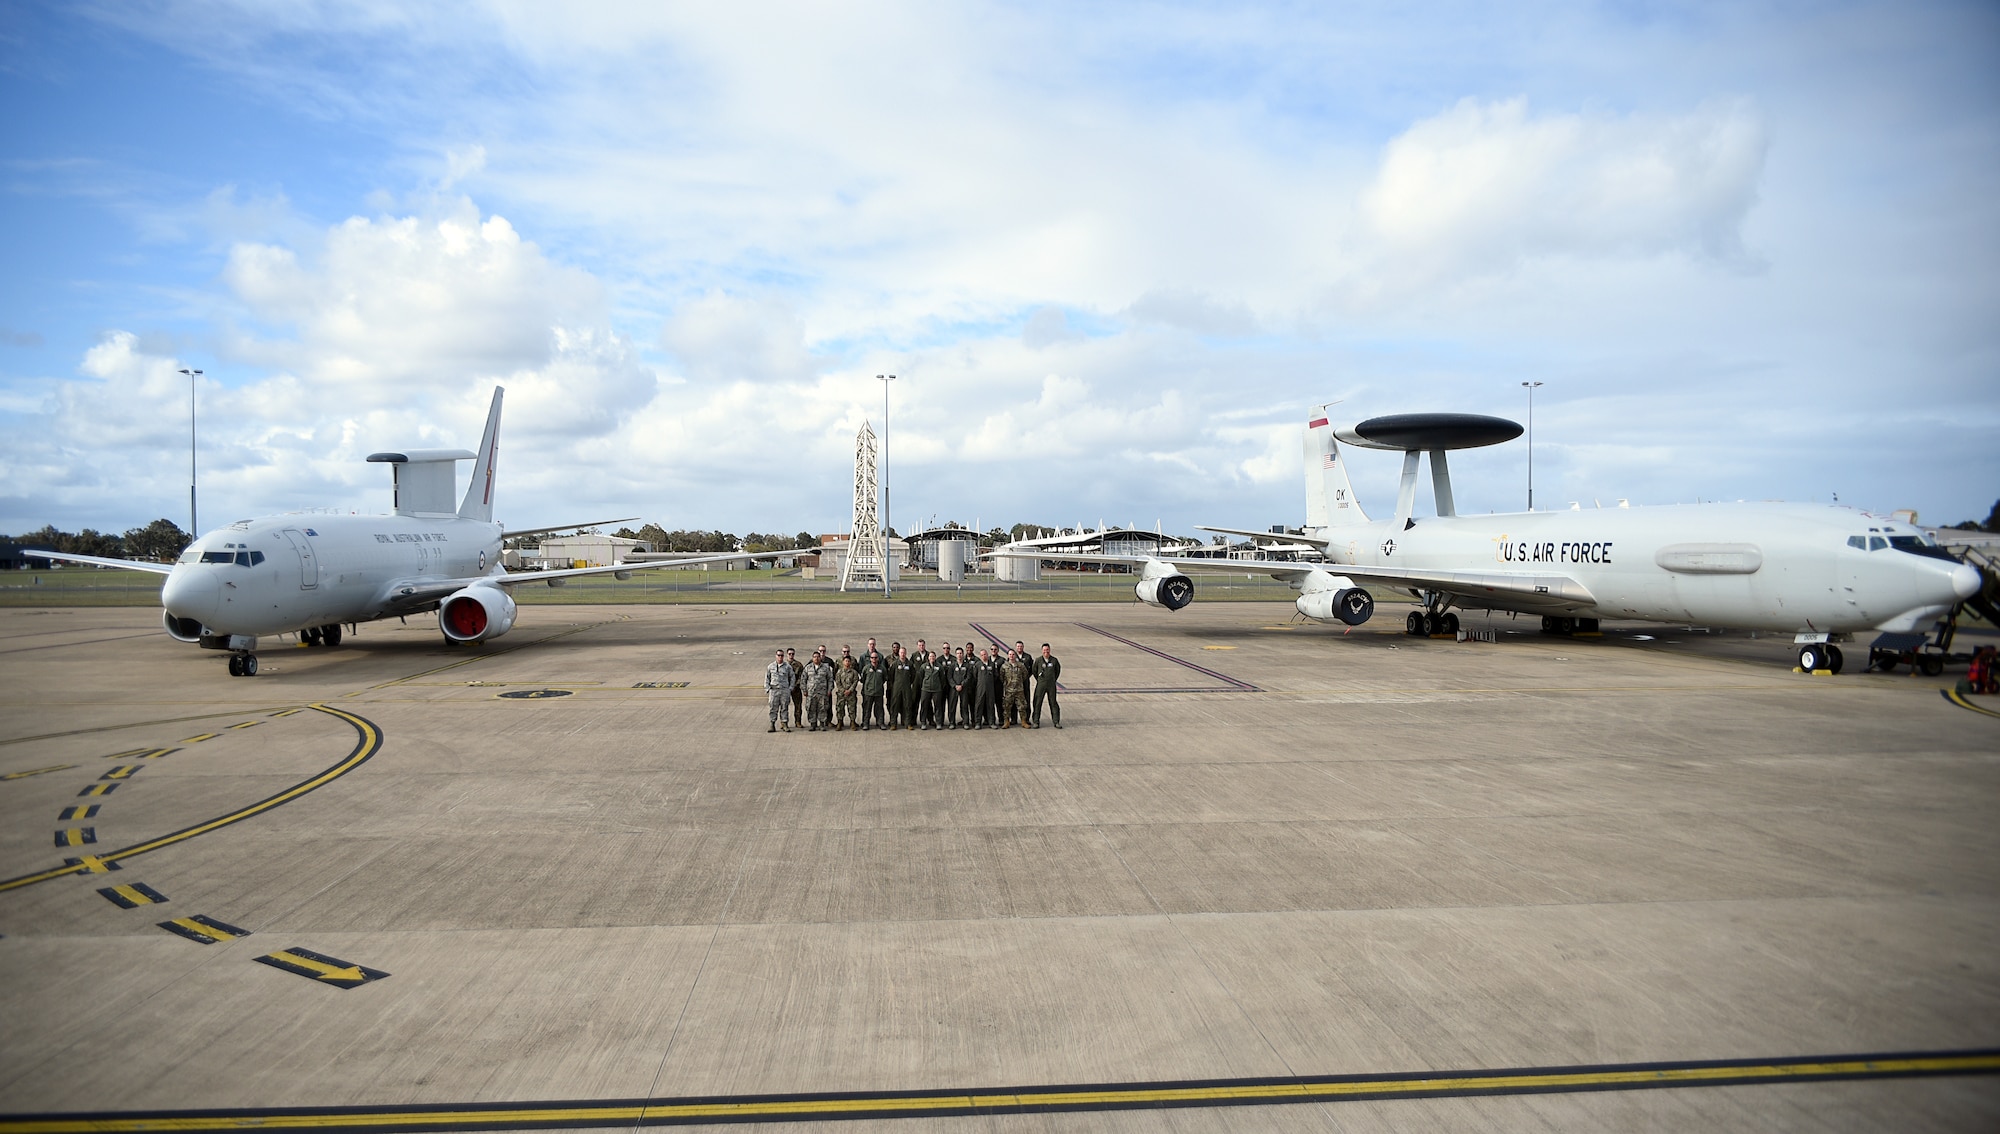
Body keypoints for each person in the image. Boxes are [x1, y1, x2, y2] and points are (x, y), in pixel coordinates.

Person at [804, 648, 836, 731]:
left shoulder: (825, 668)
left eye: (818, 657)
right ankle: (813, 724)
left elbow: (830, 679)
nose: (816, 658)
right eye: (815, 657)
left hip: (823, 693)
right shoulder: (808, 668)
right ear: (812, 658)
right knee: (811, 708)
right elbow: (803, 679)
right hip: (811, 693)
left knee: (822, 708)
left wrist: (829, 690)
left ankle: (822, 724)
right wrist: (804, 690)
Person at [1033, 642, 1063, 729]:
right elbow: (1034, 671)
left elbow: (1057, 671)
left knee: (1053, 703)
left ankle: (1056, 721)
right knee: (1037, 702)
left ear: (1050, 650)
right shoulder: (1038, 660)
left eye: (1047, 650)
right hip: (1041, 685)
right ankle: (1036, 721)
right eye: (1044, 650)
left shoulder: (1054, 660)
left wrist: (1053, 679)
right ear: (1042, 651)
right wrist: (1040, 680)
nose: (1046, 652)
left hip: (1051, 685)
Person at [764, 649, 794, 733]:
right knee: (773, 708)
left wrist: (790, 688)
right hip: (774, 690)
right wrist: (767, 688)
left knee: (784, 708)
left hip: (784, 690)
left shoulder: (787, 667)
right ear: (776, 656)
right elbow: (767, 678)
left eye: (782, 655)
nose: (780, 657)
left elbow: (792, 677)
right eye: (778, 655)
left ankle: (784, 724)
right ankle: (772, 724)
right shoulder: (771, 666)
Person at [860, 645, 888, 730]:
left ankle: (880, 723)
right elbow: (863, 679)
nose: (874, 659)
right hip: (868, 692)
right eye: (872, 658)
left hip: (878, 692)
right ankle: (865, 723)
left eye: (875, 658)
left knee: (879, 709)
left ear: (878, 658)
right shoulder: (866, 668)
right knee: (867, 709)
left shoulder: (882, 668)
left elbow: (884, 678)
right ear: (870, 659)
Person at [889, 644, 917, 729]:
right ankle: (893, 723)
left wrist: (908, 683)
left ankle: (908, 723)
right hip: (896, 688)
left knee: (907, 705)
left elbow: (913, 675)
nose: (902, 654)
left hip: (907, 688)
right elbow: (891, 676)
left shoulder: (910, 664)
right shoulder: (895, 664)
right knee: (894, 705)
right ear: (899, 653)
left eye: (904, 653)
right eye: (901, 653)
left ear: (906, 653)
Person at [918, 647, 946, 729]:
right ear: (928, 658)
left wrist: (939, 686)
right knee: (924, 706)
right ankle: (923, 722)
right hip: (926, 689)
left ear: (935, 657)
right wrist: (923, 685)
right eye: (930, 656)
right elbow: (921, 677)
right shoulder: (923, 666)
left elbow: (942, 678)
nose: (932, 658)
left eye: (933, 656)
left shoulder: (939, 667)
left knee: (938, 706)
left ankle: (938, 723)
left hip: (936, 690)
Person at [1000, 648, 1027, 728]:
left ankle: (1023, 722)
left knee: (1022, 706)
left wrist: (1019, 682)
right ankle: (1006, 722)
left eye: (1013, 654)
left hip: (1019, 690)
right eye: (1010, 654)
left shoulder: (1020, 665)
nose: (1011, 656)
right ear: (1008, 656)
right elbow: (1001, 677)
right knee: (1007, 707)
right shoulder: (1004, 666)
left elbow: (1025, 675)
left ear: (1015, 656)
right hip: (1009, 690)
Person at [972, 646, 998, 729]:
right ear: (980, 656)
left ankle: (992, 722)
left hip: (990, 689)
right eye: (982, 655)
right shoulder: (978, 665)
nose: (984, 656)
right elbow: (975, 676)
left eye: (985, 654)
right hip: (980, 689)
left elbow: (995, 676)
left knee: (990, 705)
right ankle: (978, 723)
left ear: (987, 655)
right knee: (979, 705)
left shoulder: (992, 664)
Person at [833, 653, 860, 730]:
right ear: (843, 662)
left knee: (852, 709)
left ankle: (852, 722)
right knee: (840, 708)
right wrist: (843, 690)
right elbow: (837, 682)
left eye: (848, 661)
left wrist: (850, 690)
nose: (847, 662)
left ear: (850, 662)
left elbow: (855, 681)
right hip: (841, 694)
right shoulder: (839, 672)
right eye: (846, 661)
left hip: (851, 694)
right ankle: (840, 722)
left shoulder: (854, 672)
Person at [786, 648, 805, 729]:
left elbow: (802, 677)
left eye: (792, 654)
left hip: (796, 688)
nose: (791, 655)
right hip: (785, 689)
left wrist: (795, 685)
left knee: (798, 706)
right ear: (787, 654)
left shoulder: (798, 665)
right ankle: (784, 722)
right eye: (789, 654)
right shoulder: (783, 665)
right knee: (784, 706)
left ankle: (798, 721)